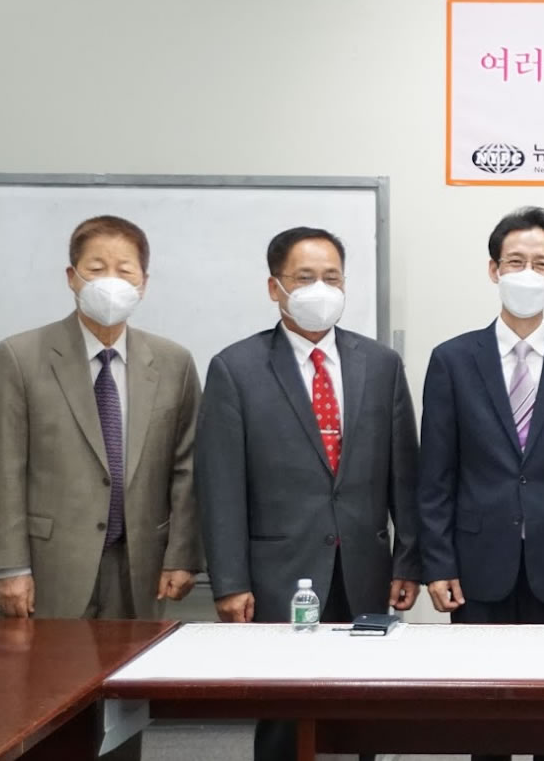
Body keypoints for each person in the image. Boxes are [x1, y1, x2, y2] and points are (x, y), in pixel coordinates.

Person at [0, 214, 202, 760]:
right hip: (49, 568)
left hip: (138, 565)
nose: (111, 281)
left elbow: (187, 466)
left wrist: (181, 555)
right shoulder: (21, 356)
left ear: (144, 282)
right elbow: (2, 466)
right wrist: (10, 568)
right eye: (96, 268)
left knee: (124, 709)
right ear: (71, 276)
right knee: (43, 710)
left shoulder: (172, 362)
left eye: (125, 270)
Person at [195, 226, 421, 761]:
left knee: (363, 710)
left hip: (364, 567)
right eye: (304, 277)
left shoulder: (381, 365)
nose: (320, 289)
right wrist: (230, 581)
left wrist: (408, 561)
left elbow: (404, 474)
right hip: (279, 574)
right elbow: (219, 485)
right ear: (274, 287)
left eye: (332, 278)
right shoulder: (236, 368)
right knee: (285, 711)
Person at [418, 207, 544, 761]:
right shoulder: (452, 360)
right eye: (515, 262)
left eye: (541, 264)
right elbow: (435, 476)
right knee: (486, 719)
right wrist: (437, 563)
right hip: (477, 563)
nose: (527, 274)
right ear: (493, 270)